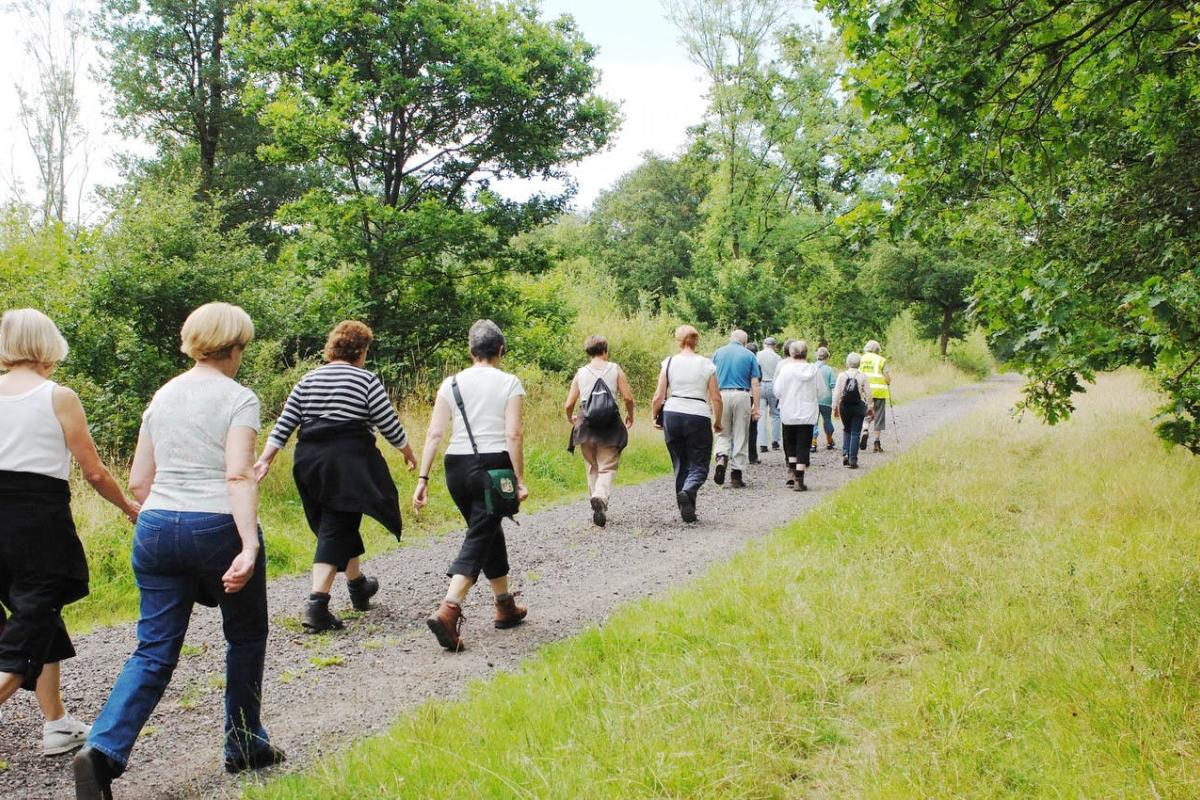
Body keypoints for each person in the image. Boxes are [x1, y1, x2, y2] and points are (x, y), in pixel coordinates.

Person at [74, 303, 285, 800]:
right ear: (233, 347)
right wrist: (249, 543)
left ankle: (102, 752)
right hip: (218, 526)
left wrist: (169, 518)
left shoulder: (162, 397)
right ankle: (243, 742)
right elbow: (236, 474)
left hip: (155, 526)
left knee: (153, 649)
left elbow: (139, 481)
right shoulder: (239, 398)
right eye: (242, 349)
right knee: (246, 635)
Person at [0, 310, 139, 758]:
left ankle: (57, 724)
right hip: (36, 522)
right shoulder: (57, 396)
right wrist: (129, 507)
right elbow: (95, 472)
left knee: (37, 617)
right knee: (32, 620)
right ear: (48, 344)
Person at [254, 321, 417, 633]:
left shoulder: (308, 379)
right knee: (335, 525)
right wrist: (407, 452)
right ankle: (317, 604)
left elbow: (286, 423)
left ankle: (358, 586)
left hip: (310, 461)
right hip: (347, 461)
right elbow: (388, 422)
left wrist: (265, 459)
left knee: (338, 520)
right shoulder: (365, 379)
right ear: (360, 350)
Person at [412, 321, 529, 652]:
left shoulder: (451, 383)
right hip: (493, 466)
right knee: (481, 532)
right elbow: (513, 435)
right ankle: (449, 608)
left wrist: (423, 478)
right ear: (501, 351)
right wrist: (518, 479)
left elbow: (434, 433)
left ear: (470, 351)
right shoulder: (509, 382)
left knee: (487, 528)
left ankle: (504, 604)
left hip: (455, 468)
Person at [651, 325, 722, 523]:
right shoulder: (706, 364)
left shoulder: (669, 362)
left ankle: (687, 508)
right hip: (698, 414)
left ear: (678, 341)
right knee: (699, 463)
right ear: (696, 341)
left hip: (673, 413)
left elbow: (659, 395)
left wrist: (654, 414)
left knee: (680, 462)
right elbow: (716, 397)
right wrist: (718, 420)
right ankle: (689, 490)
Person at [563, 335, 635, 527]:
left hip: (586, 426)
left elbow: (569, 403)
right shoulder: (615, 368)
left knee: (592, 466)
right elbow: (628, 397)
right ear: (605, 350)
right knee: (607, 466)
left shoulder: (581, 373)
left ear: (588, 352)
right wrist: (630, 415)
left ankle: (597, 500)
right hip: (610, 426)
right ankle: (600, 497)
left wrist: (571, 417)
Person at [710, 330, 761, 488]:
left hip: (721, 395)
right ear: (745, 342)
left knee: (722, 431)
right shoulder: (750, 356)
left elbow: (710, 378)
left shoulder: (718, 353)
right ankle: (736, 475)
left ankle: (721, 457)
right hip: (742, 395)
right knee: (741, 434)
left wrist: (709, 401)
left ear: (730, 339)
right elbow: (755, 383)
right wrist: (756, 407)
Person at [773, 340, 821, 491]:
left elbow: (777, 391)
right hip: (807, 413)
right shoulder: (814, 370)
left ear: (791, 353)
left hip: (788, 411)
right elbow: (822, 391)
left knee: (791, 444)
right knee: (803, 445)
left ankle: (792, 475)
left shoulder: (786, 370)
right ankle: (800, 479)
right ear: (806, 353)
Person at [833, 352, 875, 469]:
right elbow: (869, 394)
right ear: (859, 364)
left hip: (844, 407)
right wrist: (870, 407)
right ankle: (853, 459)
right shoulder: (863, 376)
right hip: (858, 407)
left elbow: (836, 393)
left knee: (846, 429)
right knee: (855, 432)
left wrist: (835, 408)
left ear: (847, 363)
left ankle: (845, 453)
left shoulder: (842, 375)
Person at [860, 339, 891, 453]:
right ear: (878, 350)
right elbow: (887, 377)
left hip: (865, 392)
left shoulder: (861, 359)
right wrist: (888, 382)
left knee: (867, 413)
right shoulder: (881, 360)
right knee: (879, 416)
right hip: (879, 391)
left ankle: (865, 429)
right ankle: (877, 442)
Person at [756, 336, 782, 454]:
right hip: (773, 384)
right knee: (775, 414)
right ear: (774, 346)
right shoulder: (777, 358)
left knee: (761, 415)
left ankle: (762, 444)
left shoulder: (758, 355)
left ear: (764, 345)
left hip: (760, 385)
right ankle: (775, 441)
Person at [811, 346, 837, 452]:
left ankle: (813, 443)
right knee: (827, 420)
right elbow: (833, 386)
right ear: (827, 358)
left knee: (813, 421)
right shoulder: (829, 370)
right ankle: (829, 441)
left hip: (813, 399)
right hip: (826, 399)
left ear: (817, 356)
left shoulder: (811, 368)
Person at [746, 341, 760, 464]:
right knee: (752, 428)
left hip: (742, 394)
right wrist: (756, 406)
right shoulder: (755, 363)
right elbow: (757, 382)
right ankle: (752, 456)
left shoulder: (740, 361)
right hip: (751, 396)